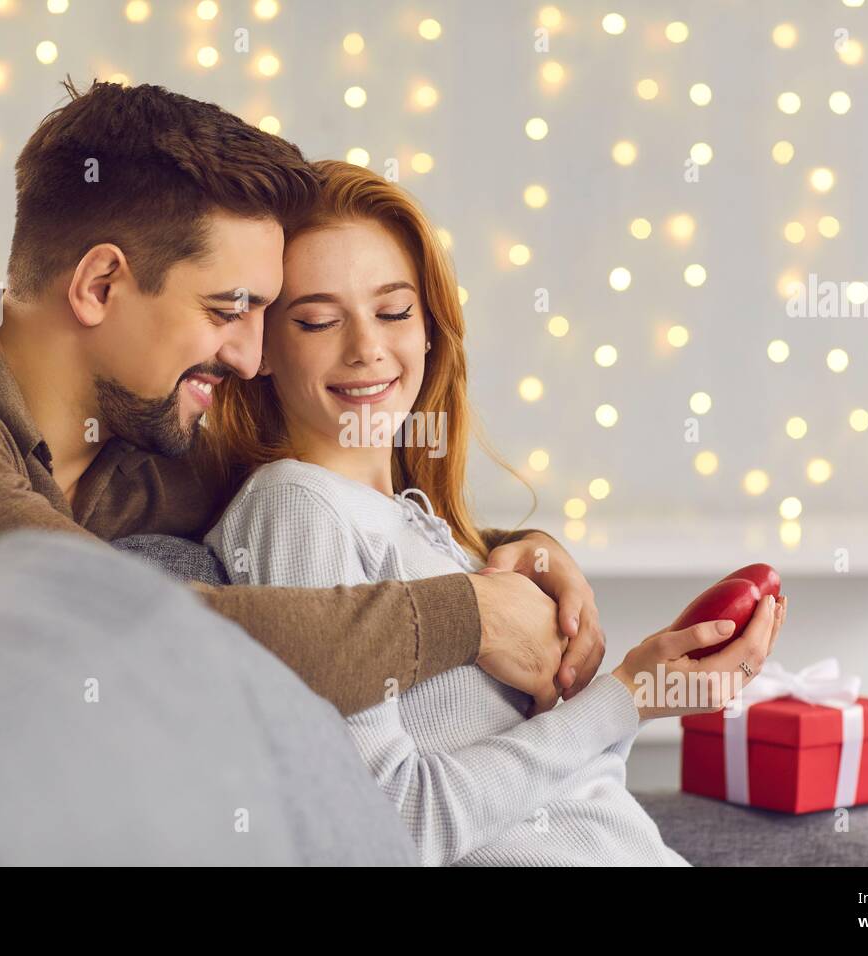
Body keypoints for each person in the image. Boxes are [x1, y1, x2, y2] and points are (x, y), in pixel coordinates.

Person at [0, 81, 604, 718]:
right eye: (230, 310)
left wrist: (516, 551)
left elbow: (344, 504)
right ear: (101, 283)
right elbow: (138, 639)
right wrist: (466, 616)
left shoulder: (149, 436)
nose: (252, 353)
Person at [201, 161, 787, 864]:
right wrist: (629, 695)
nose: (366, 348)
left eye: (393, 311)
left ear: (428, 330)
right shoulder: (297, 506)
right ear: (262, 347)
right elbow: (391, 828)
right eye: (319, 320)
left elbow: (566, 801)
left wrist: (639, 694)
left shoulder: (425, 525)